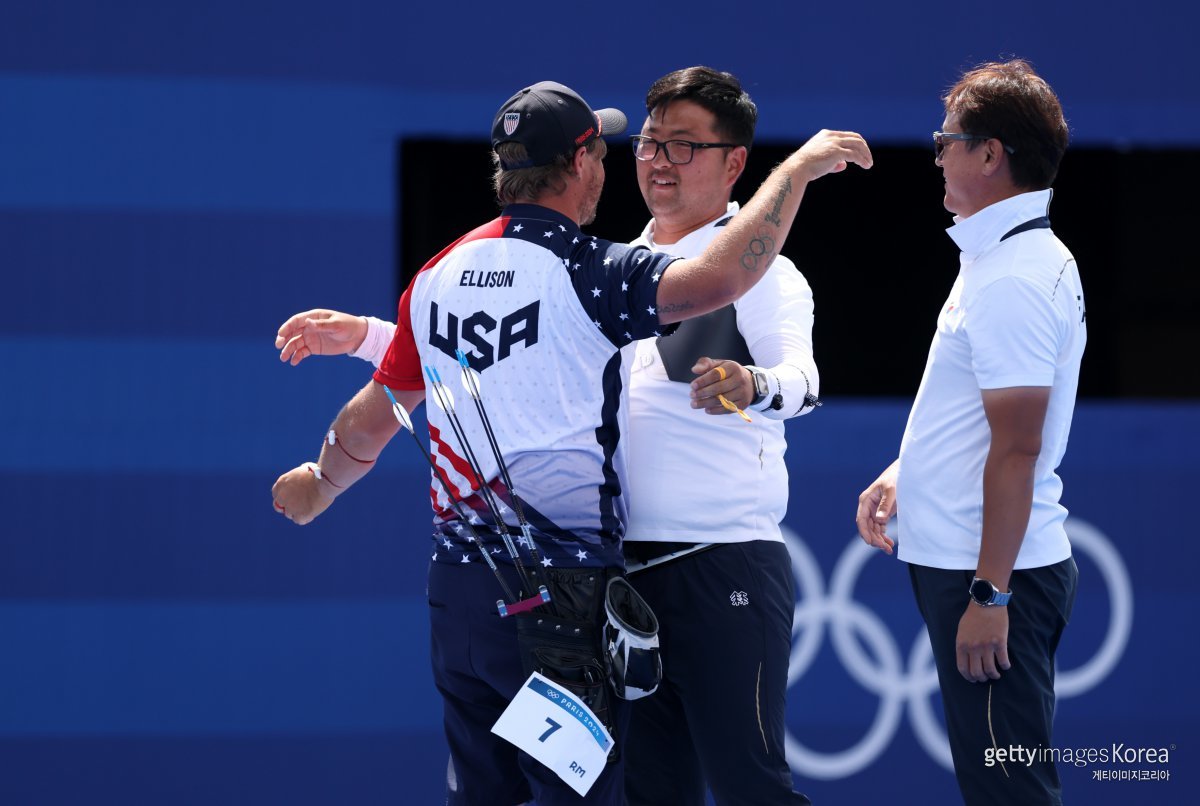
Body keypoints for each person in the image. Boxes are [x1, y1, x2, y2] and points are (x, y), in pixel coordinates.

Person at [272, 79, 871, 806]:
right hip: (604, 585)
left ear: (735, 164)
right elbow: (522, 350)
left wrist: (754, 384)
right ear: (585, 163)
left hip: (714, 567)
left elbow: (802, 379)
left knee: (752, 791)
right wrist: (375, 337)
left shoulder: (745, 272)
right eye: (648, 143)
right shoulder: (606, 268)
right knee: (637, 795)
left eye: (682, 145)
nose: (655, 160)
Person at [855, 59, 1083, 806]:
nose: (936, 156)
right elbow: (975, 417)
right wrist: (905, 470)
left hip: (986, 576)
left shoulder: (1013, 277)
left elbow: (1018, 449)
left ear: (990, 155)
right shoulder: (1001, 255)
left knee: (1010, 792)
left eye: (946, 140)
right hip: (974, 566)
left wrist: (991, 595)